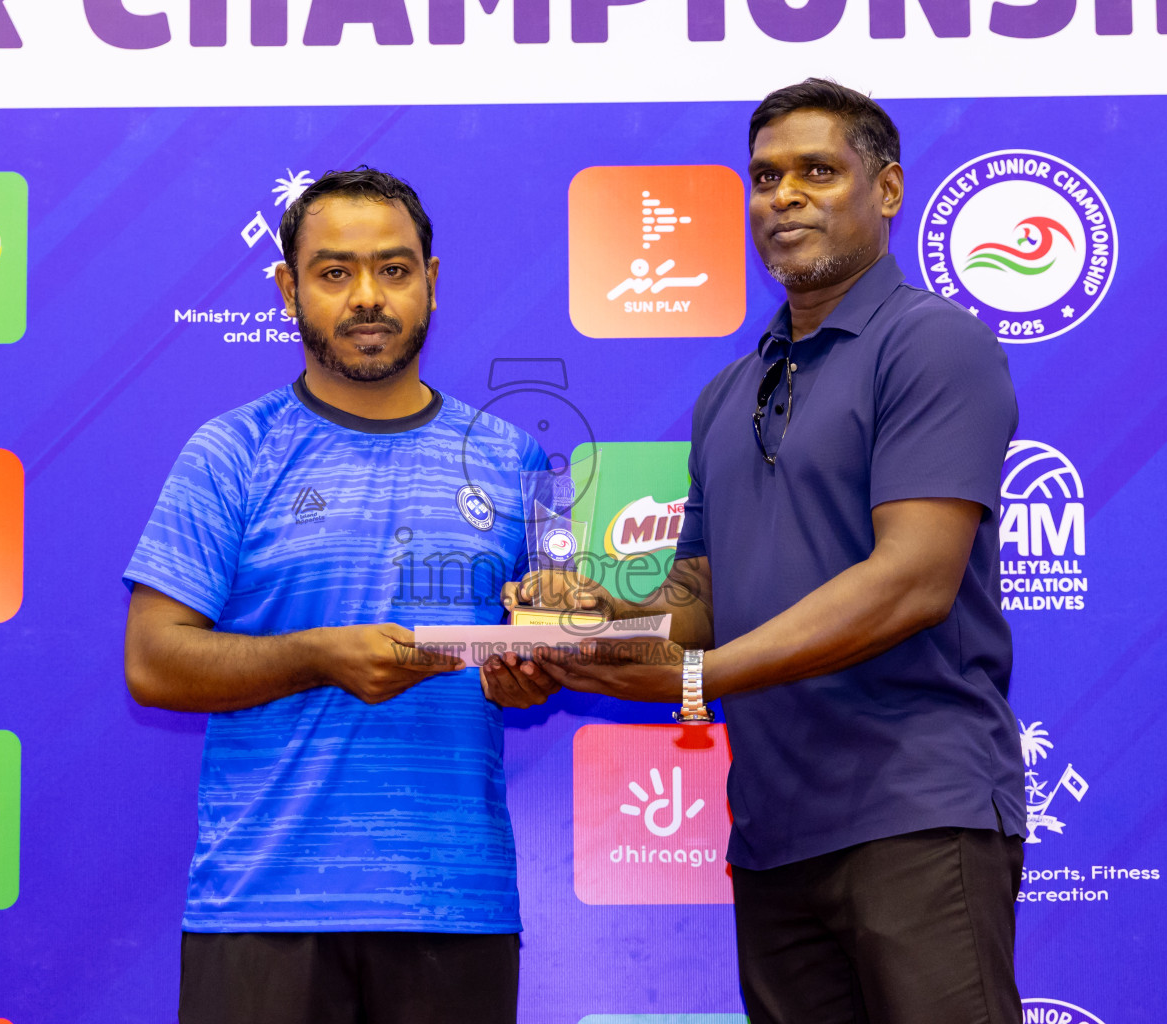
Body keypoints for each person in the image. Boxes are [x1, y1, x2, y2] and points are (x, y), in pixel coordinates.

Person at [492, 80, 1027, 1024]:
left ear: (889, 188)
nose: (784, 196)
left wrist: (699, 679)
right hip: (773, 834)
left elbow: (913, 581)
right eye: (766, 177)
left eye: (818, 171)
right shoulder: (727, 393)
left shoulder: (934, 345)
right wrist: (592, 620)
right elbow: (698, 598)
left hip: (917, 812)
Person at [124, 168, 548, 1024]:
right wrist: (318, 656)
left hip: (453, 904)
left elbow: (538, 642)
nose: (367, 297)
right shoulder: (230, 452)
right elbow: (153, 662)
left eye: (394, 270)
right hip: (262, 906)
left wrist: (534, 668)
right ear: (288, 289)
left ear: (433, 280)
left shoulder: (511, 457)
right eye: (334, 272)